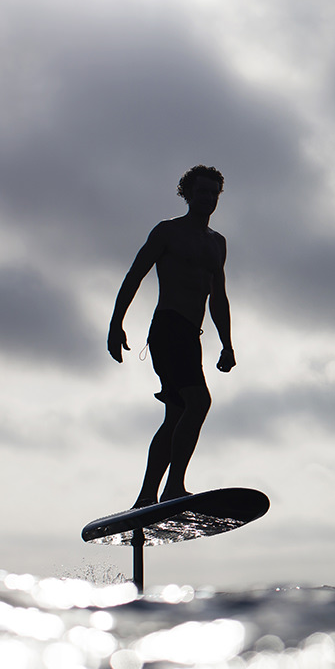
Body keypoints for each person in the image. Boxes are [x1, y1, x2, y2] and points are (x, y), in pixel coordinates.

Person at [107, 165, 235, 508]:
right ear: (187, 194)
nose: (208, 198)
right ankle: (174, 487)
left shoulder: (217, 244)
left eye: (214, 193)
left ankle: (147, 496)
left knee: (178, 414)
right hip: (167, 328)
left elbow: (218, 297)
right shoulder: (168, 232)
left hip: (191, 335)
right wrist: (115, 323)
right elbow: (135, 275)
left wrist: (227, 344)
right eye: (202, 192)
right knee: (199, 402)